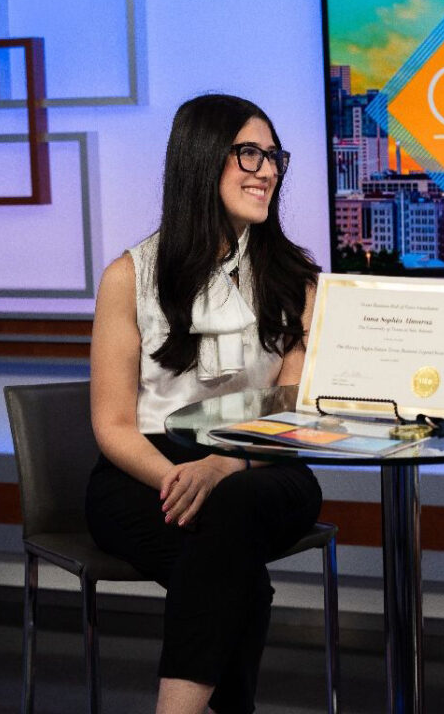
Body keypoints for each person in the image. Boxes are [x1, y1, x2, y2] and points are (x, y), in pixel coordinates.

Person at [85, 94, 322, 714]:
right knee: (233, 569)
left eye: (274, 157)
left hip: (266, 463)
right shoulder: (128, 277)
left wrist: (223, 467)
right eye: (250, 153)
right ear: (200, 159)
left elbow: (293, 409)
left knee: (232, 512)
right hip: (146, 471)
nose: (268, 170)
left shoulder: (297, 279)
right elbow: (112, 426)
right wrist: (179, 482)